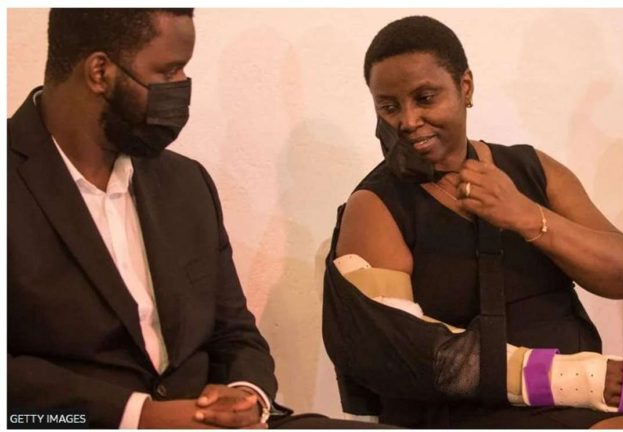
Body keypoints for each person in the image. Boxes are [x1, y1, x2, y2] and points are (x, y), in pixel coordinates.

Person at [7, 8, 381, 429]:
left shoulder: (186, 183)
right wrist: (141, 417)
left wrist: (245, 395)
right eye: (169, 72)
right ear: (99, 72)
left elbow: (235, 332)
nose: (182, 88)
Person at [323, 15, 623, 429]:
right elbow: (401, 349)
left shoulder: (533, 169)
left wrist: (526, 216)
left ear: (466, 87)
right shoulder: (375, 205)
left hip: (583, 391)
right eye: (389, 107)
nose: (408, 121)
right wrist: (572, 379)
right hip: (468, 409)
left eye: (425, 98)